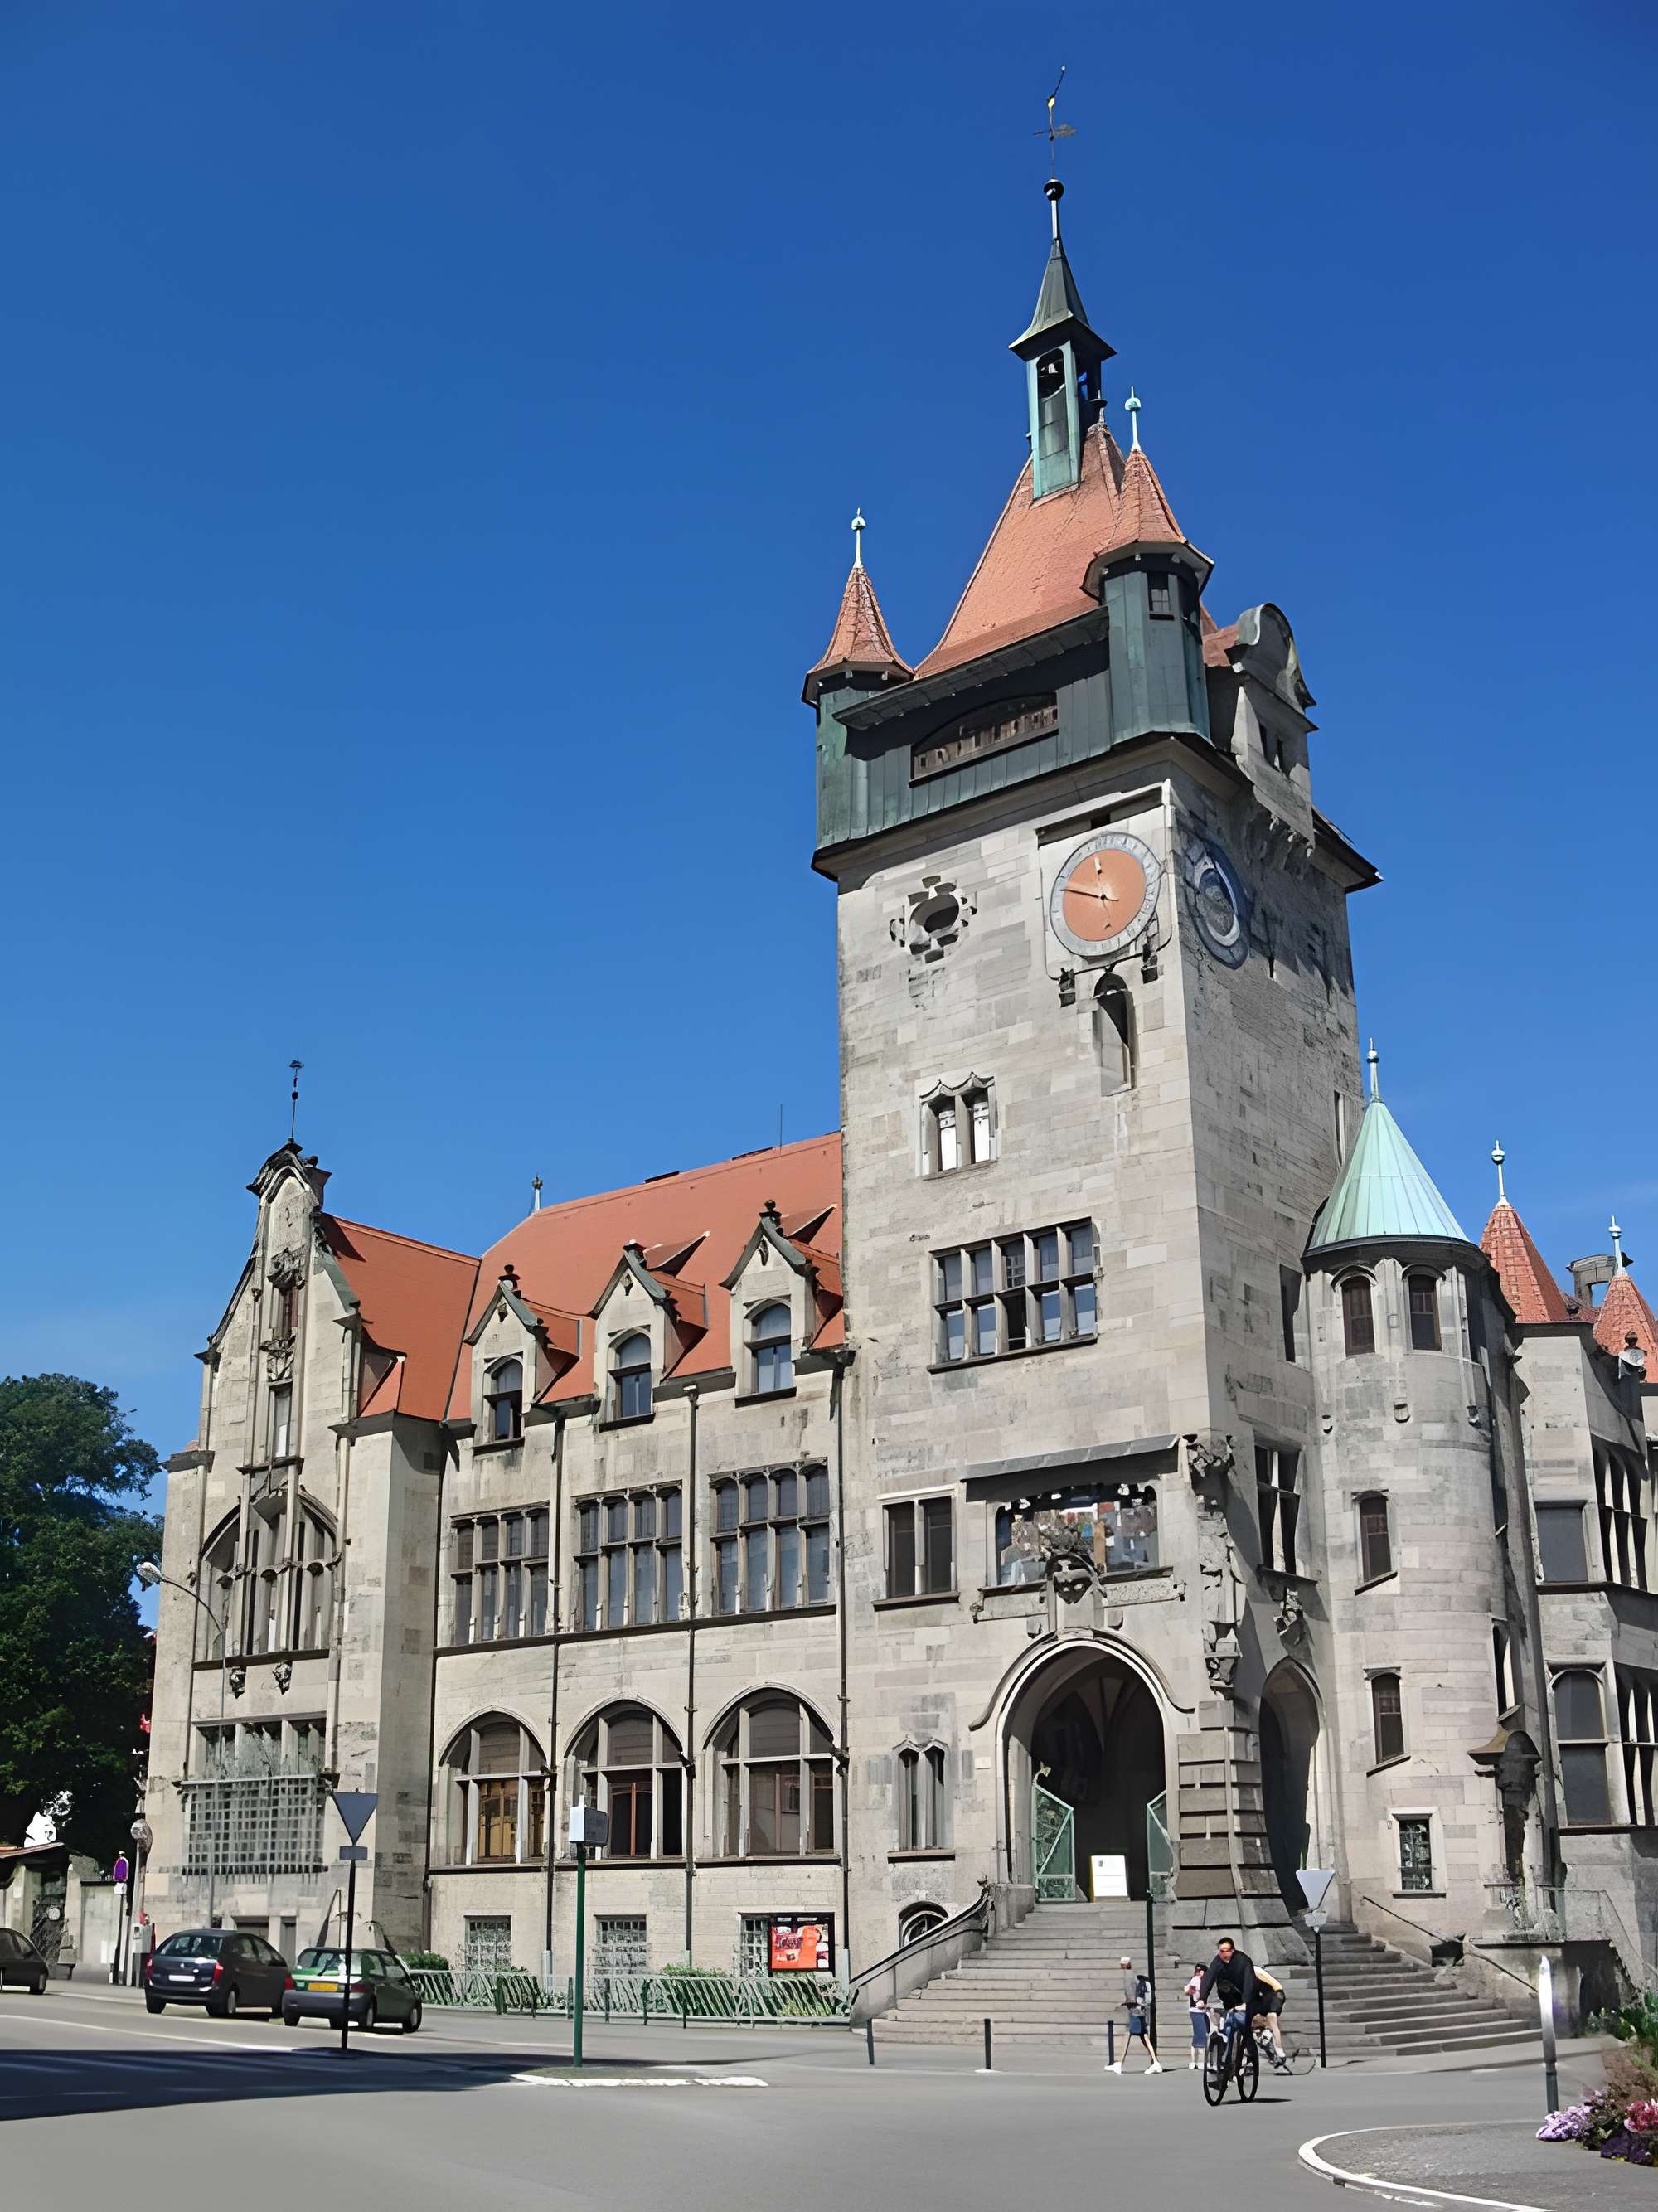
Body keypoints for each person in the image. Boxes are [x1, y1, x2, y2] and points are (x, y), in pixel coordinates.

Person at [1107, 1952, 1163, 2074]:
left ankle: (1119, 2064)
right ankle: (1156, 2062)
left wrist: (1123, 2004)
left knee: (1128, 2036)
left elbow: (1131, 1997)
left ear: (1125, 1965)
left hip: (1136, 2012)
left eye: (1122, 1965)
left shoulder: (1128, 1976)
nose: (1121, 1967)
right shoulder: (1133, 1975)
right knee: (1144, 2037)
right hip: (1141, 2010)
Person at [1183, 1962, 1210, 2070]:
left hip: (1197, 2011)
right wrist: (1200, 2001)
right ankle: (1199, 2062)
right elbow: (1194, 1996)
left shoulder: (1195, 1980)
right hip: (1197, 2011)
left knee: (1198, 2036)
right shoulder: (1196, 1980)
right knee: (1201, 2036)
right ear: (1202, 1972)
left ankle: (1193, 2062)